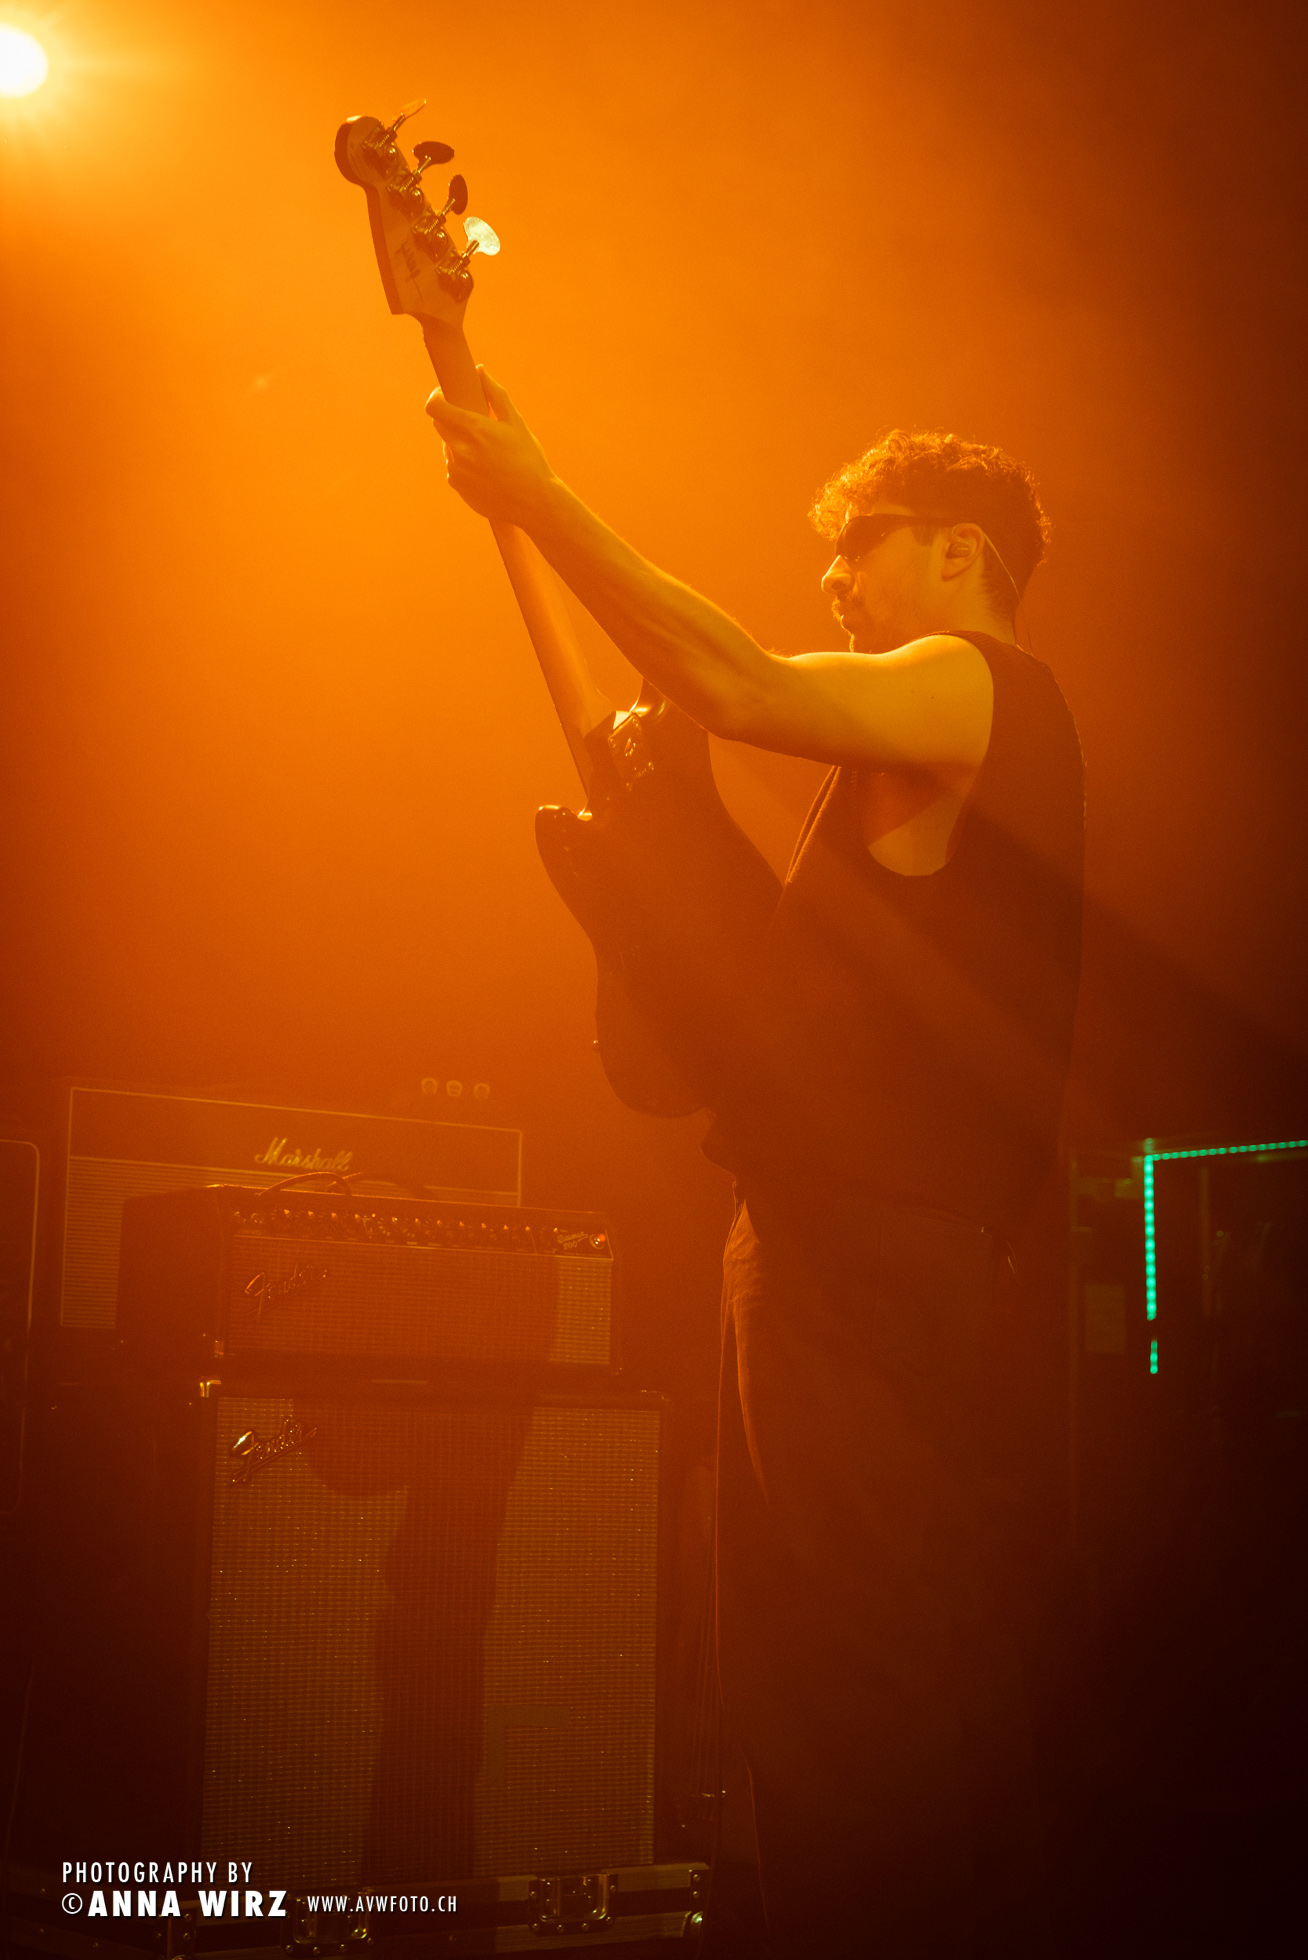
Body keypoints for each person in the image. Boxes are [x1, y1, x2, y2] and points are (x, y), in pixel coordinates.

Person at [427, 381, 1084, 1958]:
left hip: (867, 1251)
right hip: (816, 1236)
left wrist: (539, 492)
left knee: (850, 1678)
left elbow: (729, 676)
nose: (833, 580)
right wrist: (659, 835)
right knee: (806, 1673)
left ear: (958, 550)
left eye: (861, 546)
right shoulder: (898, 778)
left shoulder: (980, 682)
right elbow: (723, 1033)